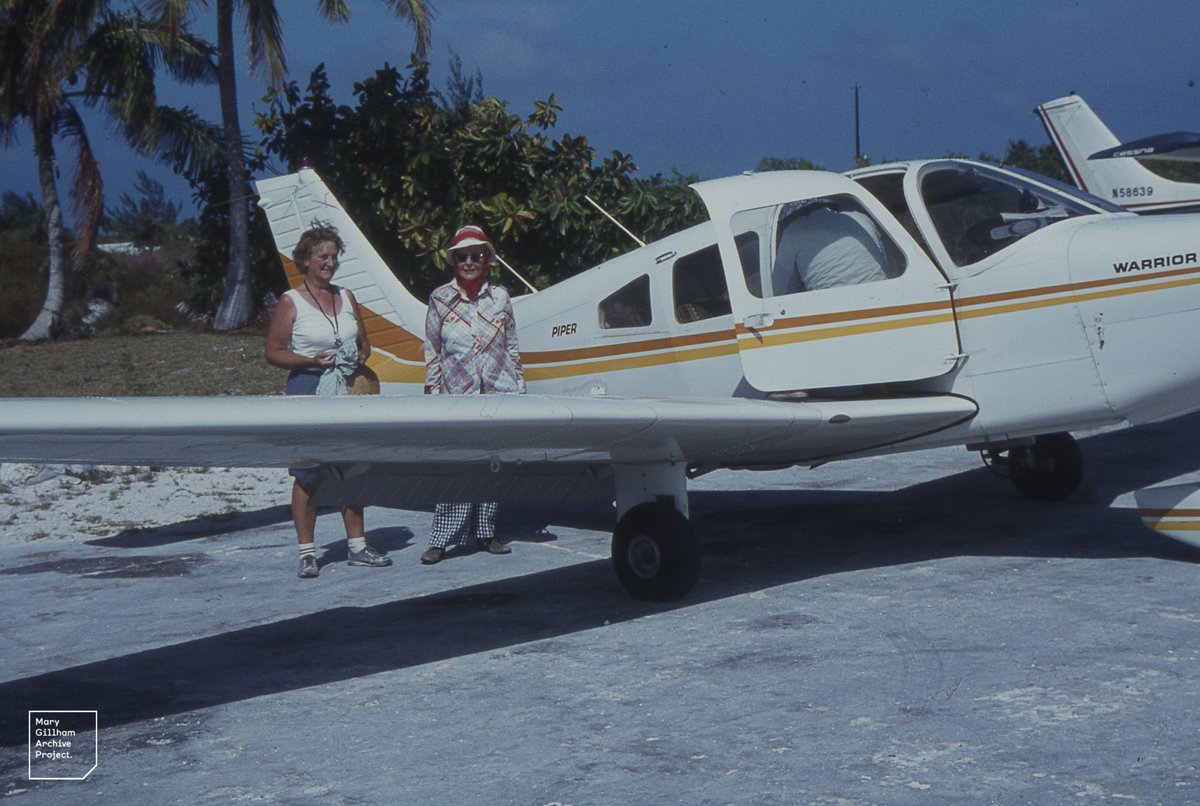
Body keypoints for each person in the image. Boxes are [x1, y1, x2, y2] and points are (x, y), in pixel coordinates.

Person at [265, 223, 392, 578]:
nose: (329, 262)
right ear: (305, 259)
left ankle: (357, 546)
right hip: (309, 386)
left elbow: (364, 341)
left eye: (334, 256)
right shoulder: (290, 301)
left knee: (351, 467)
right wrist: (311, 360)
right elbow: (273, 353)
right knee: (308, 472)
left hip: (350, 388)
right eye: (322, 256)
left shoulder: (347, 296)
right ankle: (307, 552)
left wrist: (360, 355)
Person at [420, 225, 525, 565]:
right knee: (457, 465)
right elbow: (433, 350)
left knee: (493, 464)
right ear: (453, 261)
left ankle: (486, 533)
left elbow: (511, 347)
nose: (469, 262)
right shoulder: (439, 299)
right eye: (462, 256)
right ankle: (442, 540)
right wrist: (433, 392)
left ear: (487, 260)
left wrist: (520, 389)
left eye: (476, 256)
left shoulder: (501, 298)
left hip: (498, 390)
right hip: (457, 395)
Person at [770, 200, 889, 294]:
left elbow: (779, 290)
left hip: (835, 308)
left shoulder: (793, 232)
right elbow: (883, 260)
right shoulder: (860, 218)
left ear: (793, 215)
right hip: (883, 295)